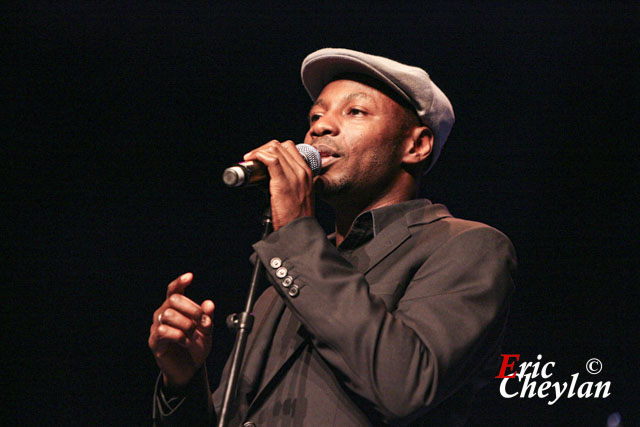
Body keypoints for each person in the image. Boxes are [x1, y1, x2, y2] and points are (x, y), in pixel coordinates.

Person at [148, 48, 516, 426]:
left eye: (355, 111)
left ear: (416, 146)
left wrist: (293, 232)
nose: (319, 128)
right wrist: (184, 381)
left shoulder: (467, 246)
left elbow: (404, 387)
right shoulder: (283, 281)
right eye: (316, 116)